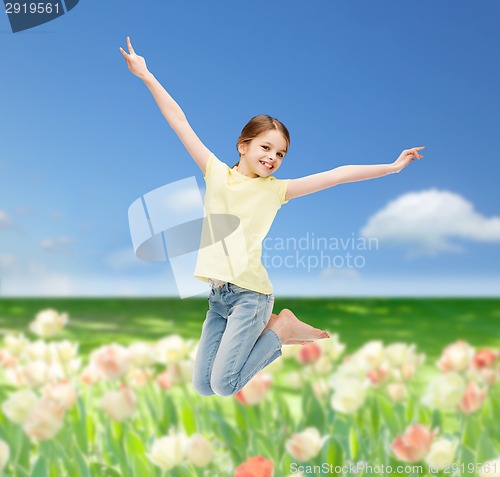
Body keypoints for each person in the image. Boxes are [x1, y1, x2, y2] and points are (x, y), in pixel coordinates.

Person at [119, 36, 424, 397]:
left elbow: (337, 174)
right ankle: (279, 329)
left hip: (251, 295)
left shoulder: (276, 190)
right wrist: (147, 75)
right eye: (266, 148)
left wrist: (391, 168)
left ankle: (282, 329)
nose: (272, 158)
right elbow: (179, 121)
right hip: (218, 296)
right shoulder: (215, 172)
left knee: (225, 384)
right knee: (203, 387)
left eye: (280, 154)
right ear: (243, 145)